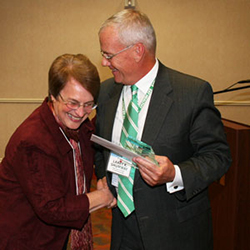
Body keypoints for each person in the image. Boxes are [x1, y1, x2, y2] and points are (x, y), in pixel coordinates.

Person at [94, 9, 232, 250]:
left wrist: (175, 174)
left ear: (137, 51)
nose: (104, 62)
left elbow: (218, 157)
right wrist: (103, 177)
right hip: (121, 230)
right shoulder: (106, 92)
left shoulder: (191, 93)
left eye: (109, 54)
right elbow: (99, 147)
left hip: (175, 232)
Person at [0, 53, 116, 250]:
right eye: (72, 103)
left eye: (88, 104)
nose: (80, 113)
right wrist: (104, 196)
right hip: (25, 240)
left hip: (57, 238)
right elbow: (53, 208)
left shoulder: (78, 127)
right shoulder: (33, 141)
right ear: (53, 96)